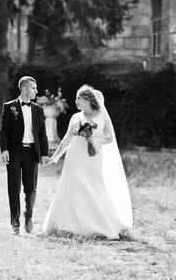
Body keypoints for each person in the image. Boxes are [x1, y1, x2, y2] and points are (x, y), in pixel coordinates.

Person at [42, 85, 132, 239]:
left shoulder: (102, 116)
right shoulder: (75, 117)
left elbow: (109, 138)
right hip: (74, 157)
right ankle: (68, 224)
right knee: (72, 187)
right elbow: (66, 139)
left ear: (88, 100)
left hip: (93, 158)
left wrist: (93, 139)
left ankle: (98, 224)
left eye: (79, 98)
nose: (76, 100)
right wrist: (55, 157)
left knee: (93, 187)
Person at [0, 76, 49, 235]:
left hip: (31, 153)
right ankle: (15, 220)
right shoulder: (9, 107)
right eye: (34, 88)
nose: (36, 91)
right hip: (14, 152)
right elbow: (3, 131)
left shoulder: (38, 109)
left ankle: (29, 217)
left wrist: (44, 154)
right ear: (25, 89)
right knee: (13, 187)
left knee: (31, 188)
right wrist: (4, 149)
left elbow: (42, 134)